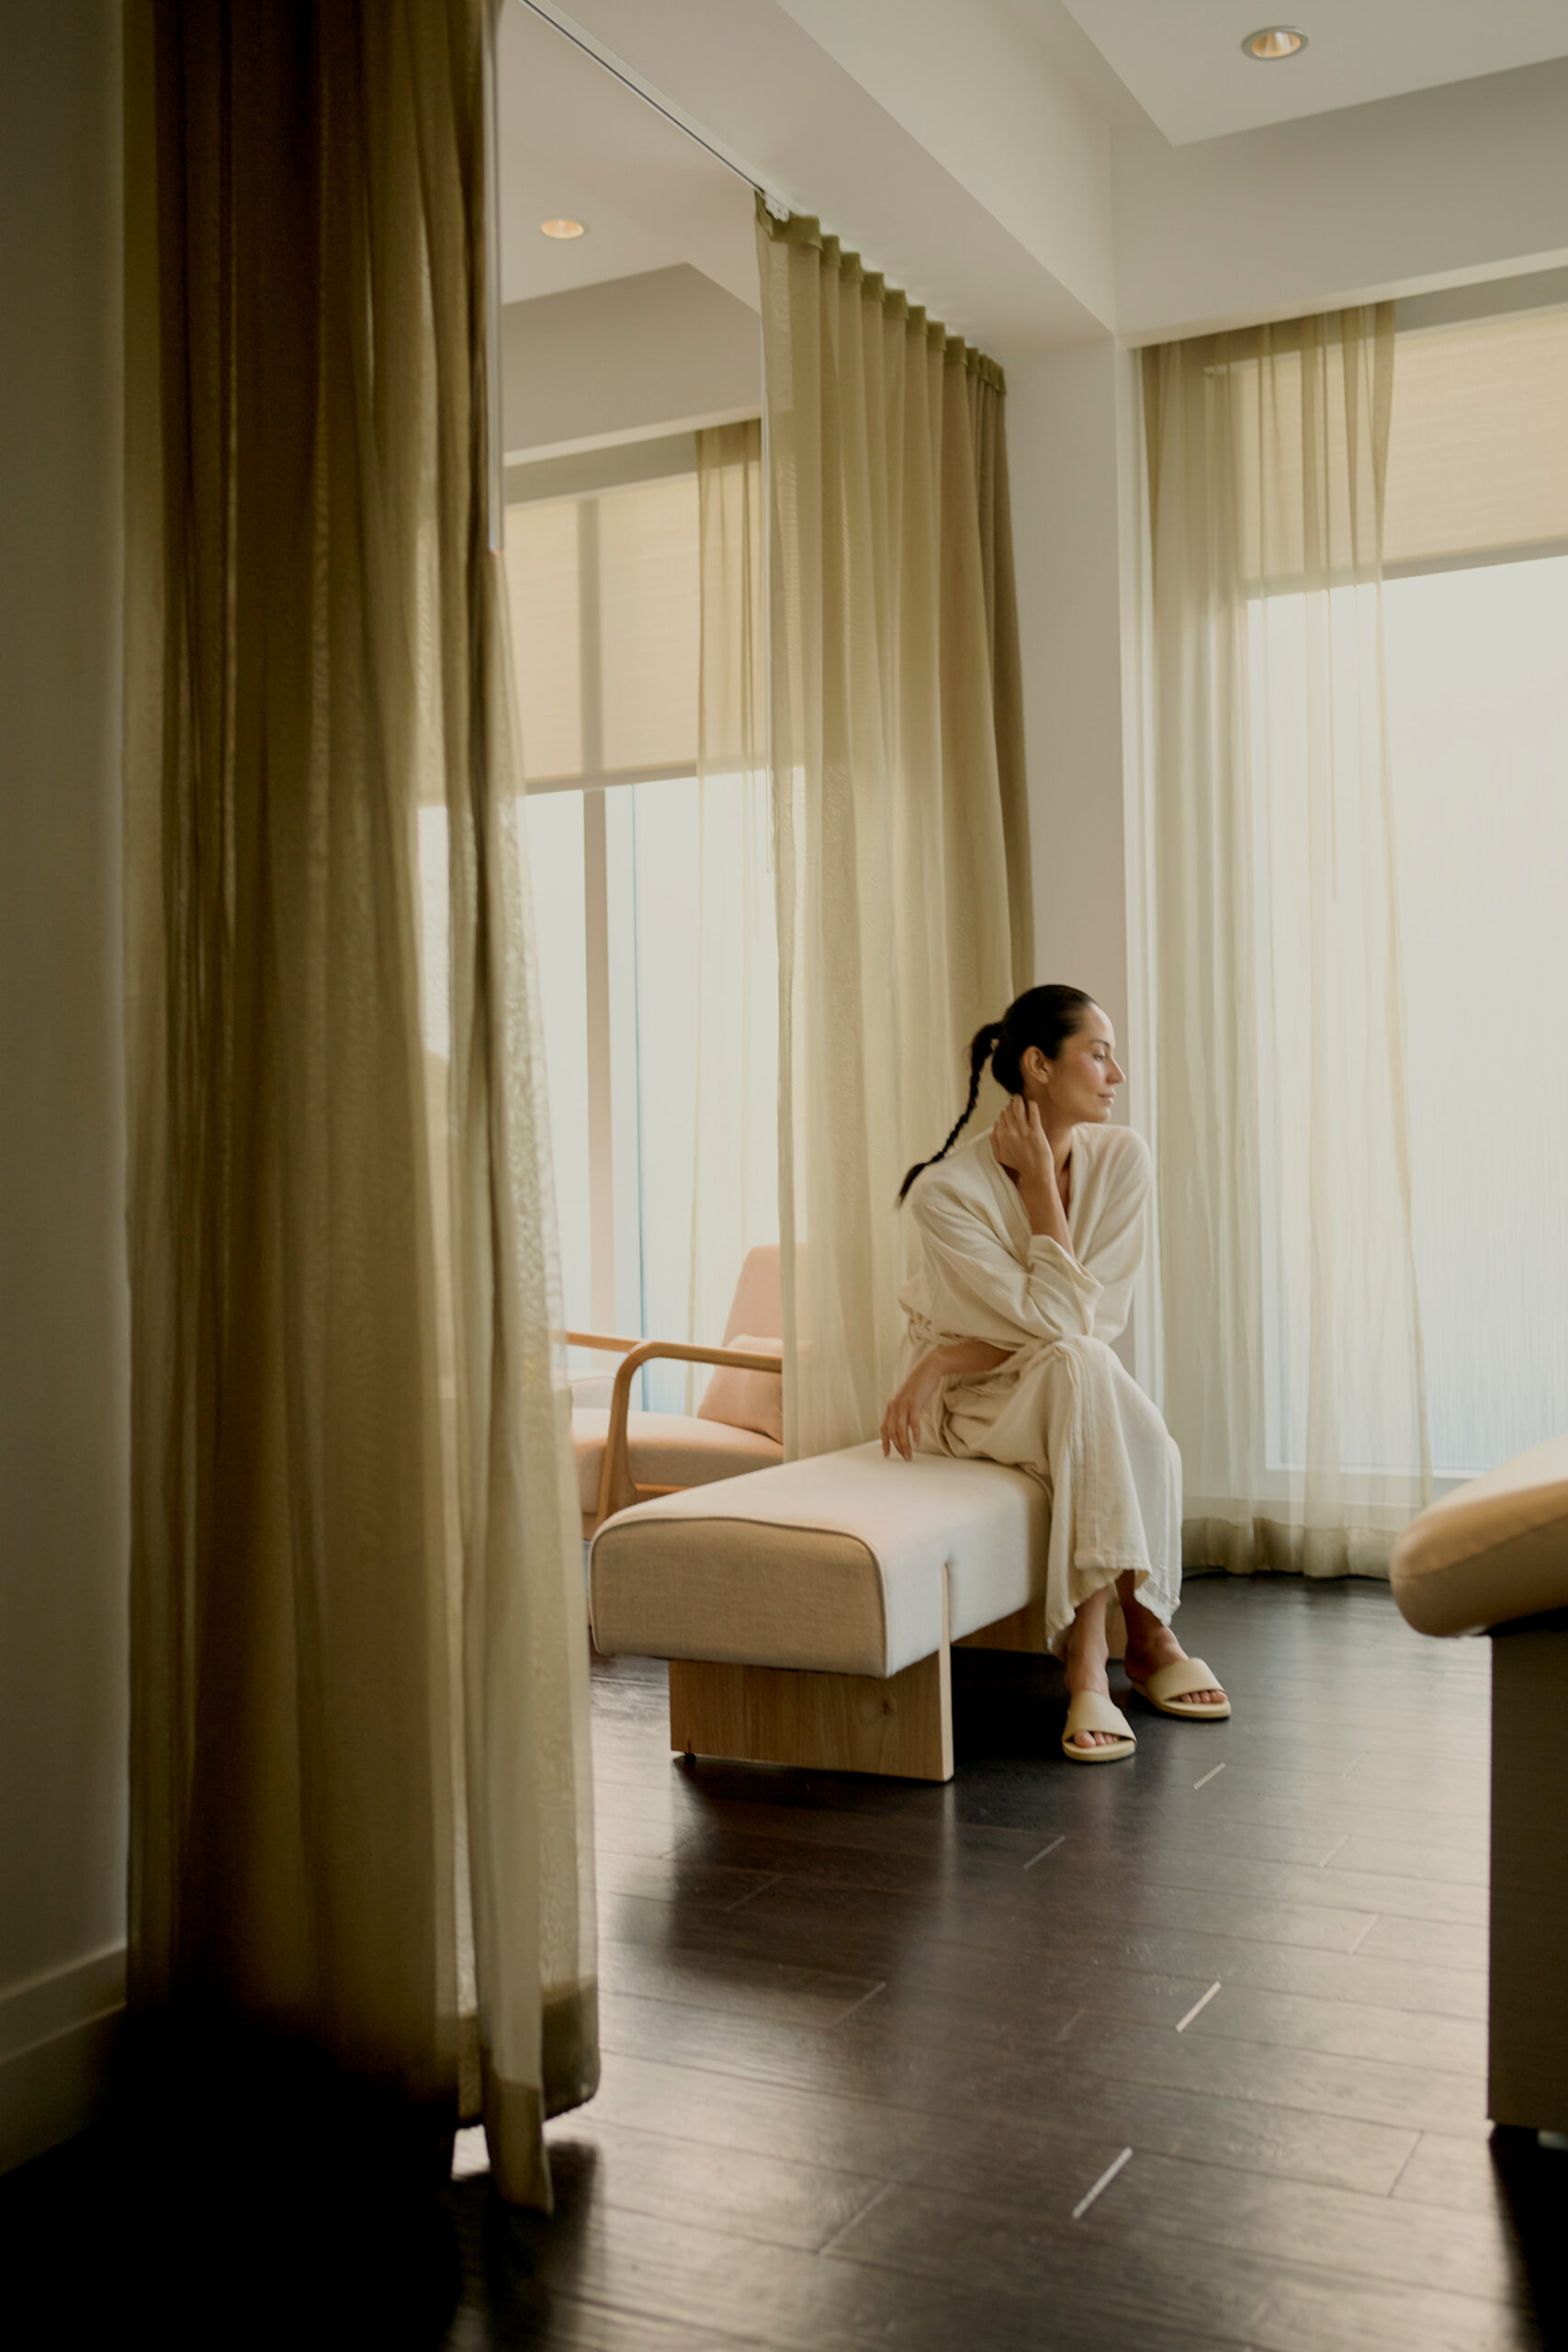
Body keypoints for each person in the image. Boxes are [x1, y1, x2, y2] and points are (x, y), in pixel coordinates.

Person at [881, 986, 1228, 1761]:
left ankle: (1094, 1657)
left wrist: (945, 1352)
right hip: (971, 1402)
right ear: (1038, 1066)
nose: (1116, 1075)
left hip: (1051, 1377)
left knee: (1081, 1364)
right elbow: (1064, 1323)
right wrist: (1039, 1188)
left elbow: (1086, 1325)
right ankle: (1137, 1638)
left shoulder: (1124, 1159)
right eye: (1098, 1055)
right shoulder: (945, 1193)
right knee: (1084, 1369)